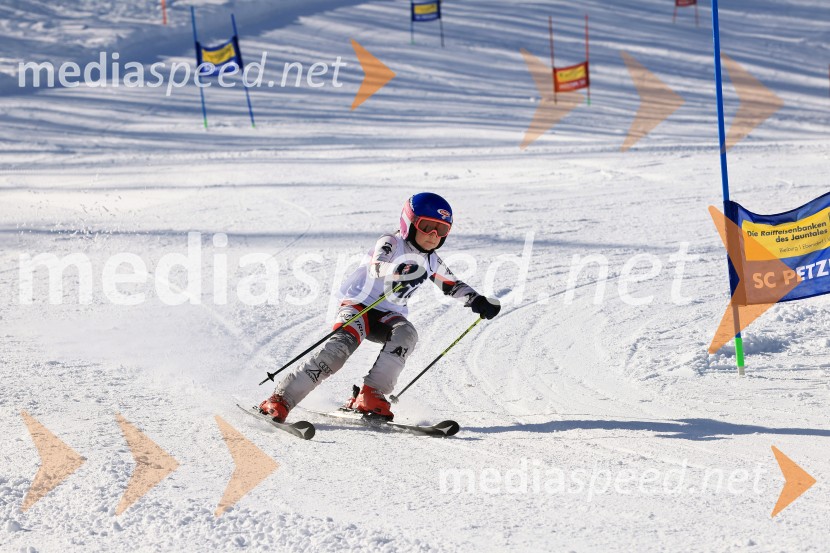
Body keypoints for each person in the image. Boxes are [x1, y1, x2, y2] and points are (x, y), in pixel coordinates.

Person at [259, 192, 501, 422]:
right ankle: (280, 399)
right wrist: (399, 272)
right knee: (337, 353)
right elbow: (378, 266)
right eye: (428, 226)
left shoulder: (431, 260)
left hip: (388, 316)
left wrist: (477, 301)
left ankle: (370, 395)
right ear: (410, 223)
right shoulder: (391, 242)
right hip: (359, 307)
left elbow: (452, 285)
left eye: (442, 230)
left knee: (406, 334)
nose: (434, 235)